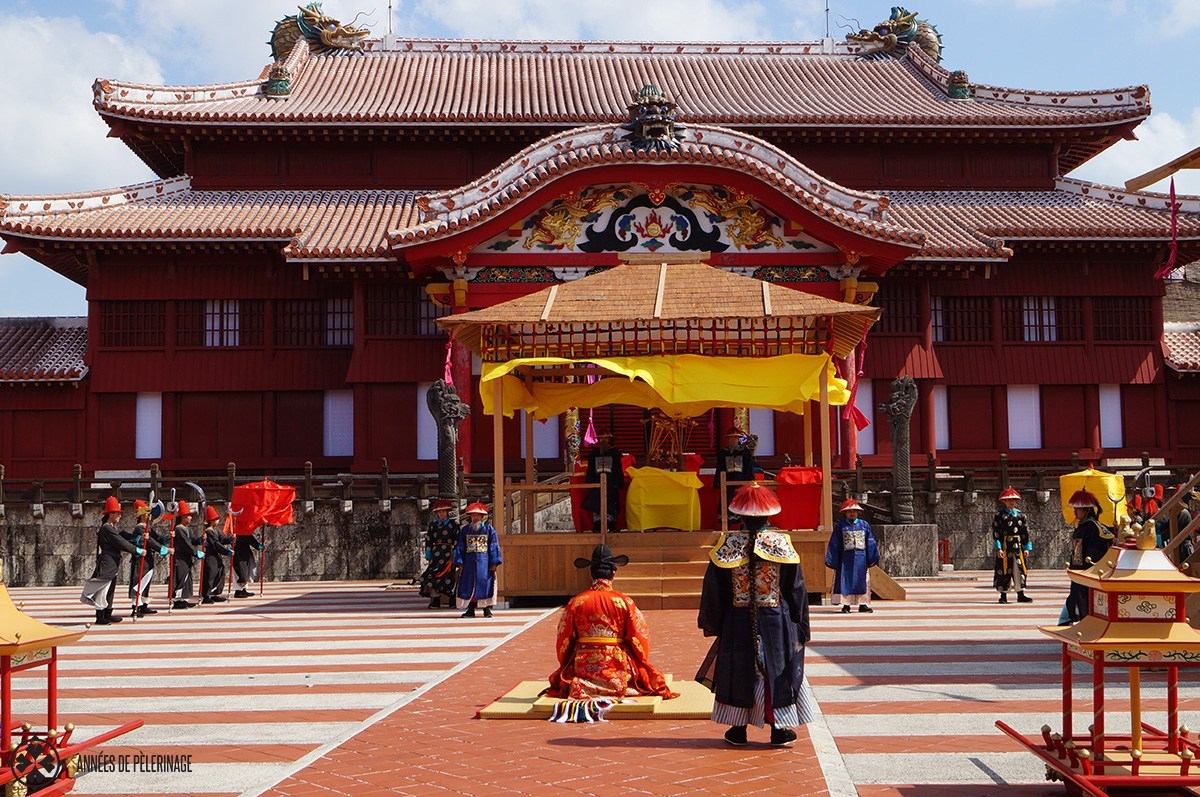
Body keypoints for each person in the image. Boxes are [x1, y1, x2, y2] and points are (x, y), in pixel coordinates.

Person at [697, 482, 811, 748]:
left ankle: (738, 728)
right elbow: (796, 588)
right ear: (768, 516)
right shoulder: (781, 544)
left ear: (740, 515)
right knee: (775, 670)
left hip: (736, 620)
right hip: (776, 620)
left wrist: (714, 622)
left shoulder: (726, 546)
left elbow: (714, 589)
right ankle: (778, 727)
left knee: (738, 669)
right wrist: (801, 624)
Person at [547, 544, 679, 700]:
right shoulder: (624, 602)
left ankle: (584, 685)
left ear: (591, 573)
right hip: (616, 664)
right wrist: (639, 659)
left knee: (569, 676)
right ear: (613, 573)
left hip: (582, 666)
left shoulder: (576, 602)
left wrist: (567, 661)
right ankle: (616, 685)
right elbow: (639, 636)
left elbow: (564, 638)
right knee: (641, 677)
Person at [80, 497, 143, 625]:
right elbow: (120, 542)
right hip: (107, 561)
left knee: (110, 589)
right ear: (111, 514)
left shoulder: (114, 528)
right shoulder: (106, 528)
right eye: (117, 513)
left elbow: (128, 537)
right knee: (103, 588)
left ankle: (107, 613)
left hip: (113, 561)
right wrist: (137, 550)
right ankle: (100, 615)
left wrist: (140, 538)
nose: (120, 516)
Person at [1065, 489, 1114, 623]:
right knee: (1075, 601)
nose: (1075, 511)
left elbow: (1096, 553)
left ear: (1086, 510)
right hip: (1078, 572)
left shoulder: (1094, 528)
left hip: (1087, 573)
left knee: (1085, 603)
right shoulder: (1081, 526)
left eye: (1077, 509)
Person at [826, 498, 880, 613]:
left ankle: (863, 604)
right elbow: (835, 543)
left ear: (858, 512)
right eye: (849, 511)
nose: (852, 513)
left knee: (863, 580)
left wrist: (871, 557)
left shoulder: (864, 525)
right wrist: (833, 559)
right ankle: (846, 605)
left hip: (861, 558)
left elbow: (870, 541)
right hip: (845, 559)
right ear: (845, 513)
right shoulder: (840, 526)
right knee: (845, 580)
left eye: (854, 511)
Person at [454, 502, 503, 618]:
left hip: (484, 563)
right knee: (469, 585)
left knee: (485, 585)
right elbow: (460, 546)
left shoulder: (489, 530)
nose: (475, 517)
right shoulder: (465, 530)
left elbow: (494, 546)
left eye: (477, 515)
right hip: (469, 562)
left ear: (482, 516)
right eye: (473, 515)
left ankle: (487, 609)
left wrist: (494, 562)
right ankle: (470, 609)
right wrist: (460, 561)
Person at [123, 499, 169, 617]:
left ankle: (143, 604)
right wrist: (163, 549)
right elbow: (150, 542)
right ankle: (136, 606)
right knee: (139, 581)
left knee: (146, 580)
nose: (150, 516)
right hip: (140, 558)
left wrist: (168, 537)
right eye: (147, 514)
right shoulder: (140, 528)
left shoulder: (147, 527)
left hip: (147, 557)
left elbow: (157, 538)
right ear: (142, 515)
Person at [992, 487, 1033, 604]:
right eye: (1009, 500)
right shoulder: (999, 516)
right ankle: (1003, 594)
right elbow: (996, 533)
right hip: (1005, 545)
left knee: (1019, 569)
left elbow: (1025, 532)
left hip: (1018, 546)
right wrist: (998, 548)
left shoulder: (1021, 516)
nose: (1011, 502)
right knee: (1004, 569)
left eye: (1013, 500)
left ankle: (1020, 593)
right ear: (1004, 501)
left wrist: (1026, 548)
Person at [581, 433, 624, 531]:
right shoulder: (594, 453)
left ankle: (611, 525)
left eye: (606, 438)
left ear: (610, 440)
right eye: (601, 438)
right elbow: (590, 469)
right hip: (597, 482)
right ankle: (597, 525)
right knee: (597, 504)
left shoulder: (615, 453)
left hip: (611, 483)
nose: (603, 440)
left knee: (611, 504)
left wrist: (618, 482)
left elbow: (618, 469)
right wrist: (590, 482)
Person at [420, 499, 459, 609]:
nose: (441, 514)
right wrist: (428, 551)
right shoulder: (433, 525)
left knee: (449, 576)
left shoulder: (454, 525)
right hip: (436, 554)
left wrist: (456, 551)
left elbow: (457, 539)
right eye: (439, 512)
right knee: (432, 575)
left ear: (447, 512)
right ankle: (435, 599)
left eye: (443, 511)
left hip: (449, 554)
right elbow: (429, 539)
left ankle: (451, 598)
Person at [715, 426, 757, 518]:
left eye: (735, 437)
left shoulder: (745, 451)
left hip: (741, 482)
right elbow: (720, 467)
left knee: (742, 505)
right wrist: (718, 482)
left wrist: (749, 480)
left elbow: (749, 467)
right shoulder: (723, 452)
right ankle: (726, 523)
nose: (733, 440)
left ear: (738, 439)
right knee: (727, 503)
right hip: (727, 483)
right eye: (730, 438)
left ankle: (742, 523)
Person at [171, 501, 204, 610]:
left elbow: (192, 541)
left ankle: (184, 599)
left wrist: (200, 540)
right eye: (189, 516)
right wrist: (196, 553)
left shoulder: (187, 529)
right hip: (180, 557)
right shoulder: (178, 529)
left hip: (187, 557)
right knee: (181, 577)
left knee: (186, 578)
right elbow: (186, 544)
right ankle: (178, 600)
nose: (190, 518)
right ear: (183, 517)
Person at [201, 506, 235, 604]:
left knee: (219, 573)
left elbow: (222, 539)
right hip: (211, 556)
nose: (218, 521)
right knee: (211, 574)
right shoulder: (209, 531)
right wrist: (226, 551)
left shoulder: (215, 531)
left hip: (216, 555)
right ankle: (206, 595)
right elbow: (216, 544)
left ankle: (215, 593)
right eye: (216, 519)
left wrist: (231, 539)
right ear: (211, 521)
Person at [232, 528, 264, 598]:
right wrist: (258, 546)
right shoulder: (242, 531)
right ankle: (239, 591)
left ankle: (243, 590)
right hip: (240, 555)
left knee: (244, 572)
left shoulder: (240, 531)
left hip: (243, 554)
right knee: (241, 572)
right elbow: (250, 538)